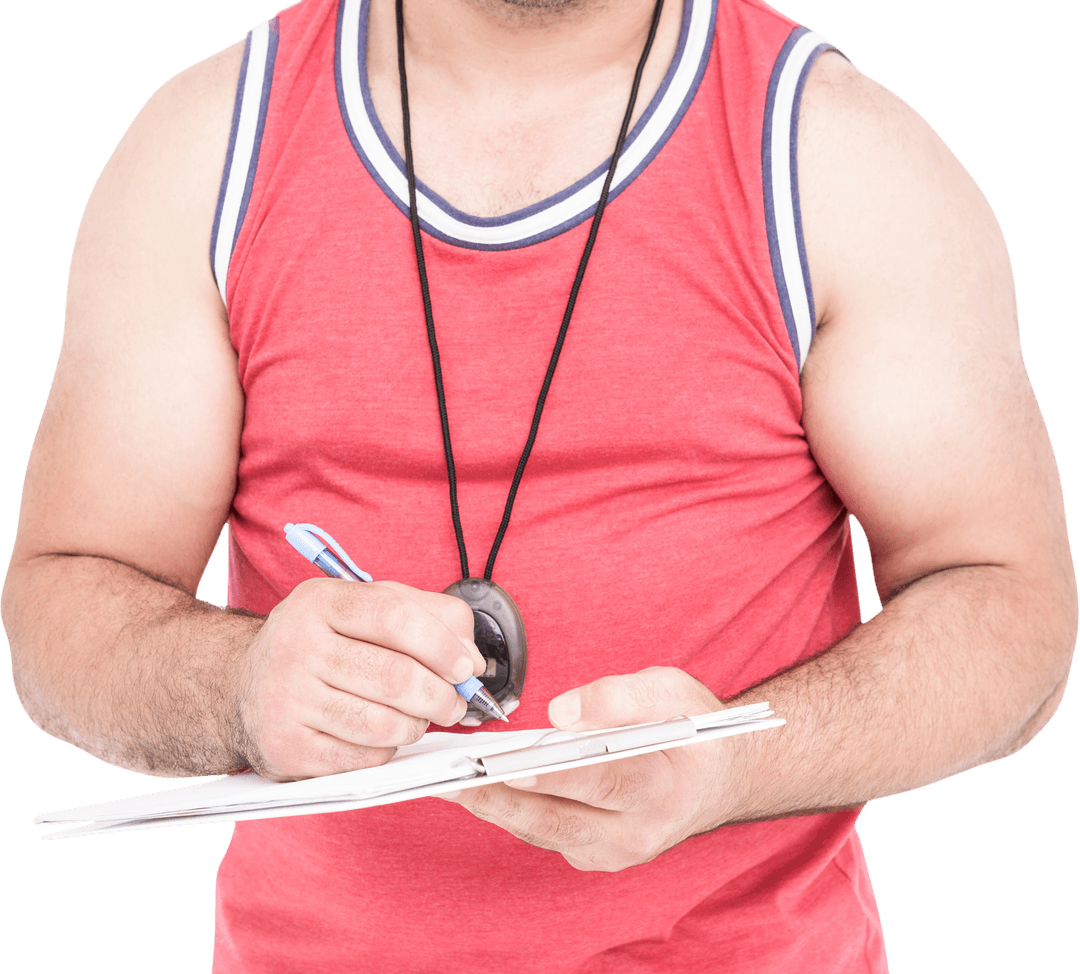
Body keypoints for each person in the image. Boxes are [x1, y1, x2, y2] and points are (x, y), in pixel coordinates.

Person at [2, 0, 1075, 970]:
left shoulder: (844, 158)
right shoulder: (203, 150)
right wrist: (239, 684)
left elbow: (1009, 606)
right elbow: (62, 605)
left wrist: (730, 767)